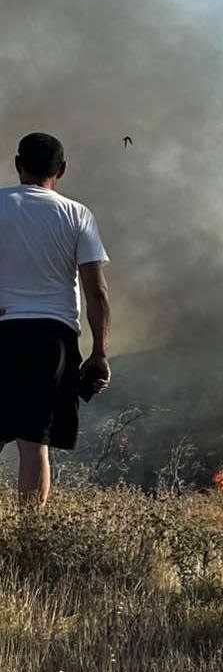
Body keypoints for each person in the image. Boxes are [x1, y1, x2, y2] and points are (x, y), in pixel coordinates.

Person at [0, 133, 111, 506]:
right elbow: (97, 292)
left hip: (4, 331)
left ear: (18, 164)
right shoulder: (77, 214)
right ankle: (29, 540)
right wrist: (98, 353)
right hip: (52, 340)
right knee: (35, 448)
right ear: (61, 170)